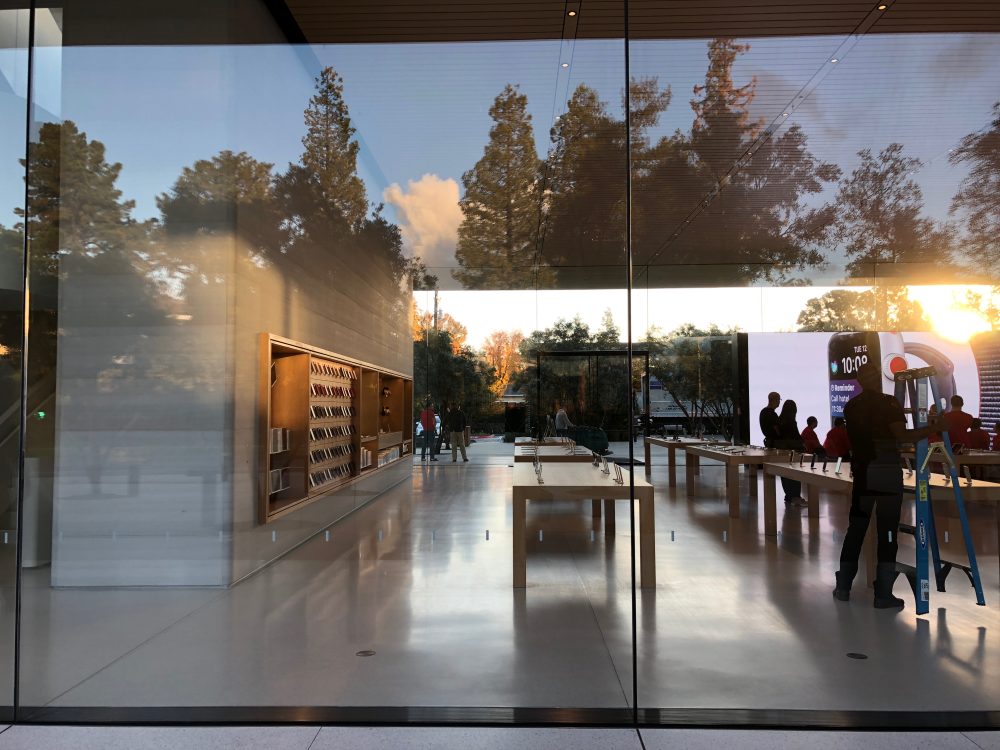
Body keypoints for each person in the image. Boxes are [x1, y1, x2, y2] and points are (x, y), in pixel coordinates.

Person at [833, 362, 946, 610]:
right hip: (885, 472)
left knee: (857, 528)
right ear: (877, 379)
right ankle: (883, 593)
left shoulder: (851, 406)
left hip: (862, 473)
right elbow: (902, 436)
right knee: (887, 532)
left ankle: (843, 586)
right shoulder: (889, 404)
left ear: (860, 381)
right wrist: (935, 428)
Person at [775, 400, 806, 507]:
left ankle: (789, 496)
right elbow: (796, 436)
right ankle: (796, 496)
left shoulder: (780, 420)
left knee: (785, 475)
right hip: (793, 451)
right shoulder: (791, 422)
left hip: (783, 451)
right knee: (795, 474)